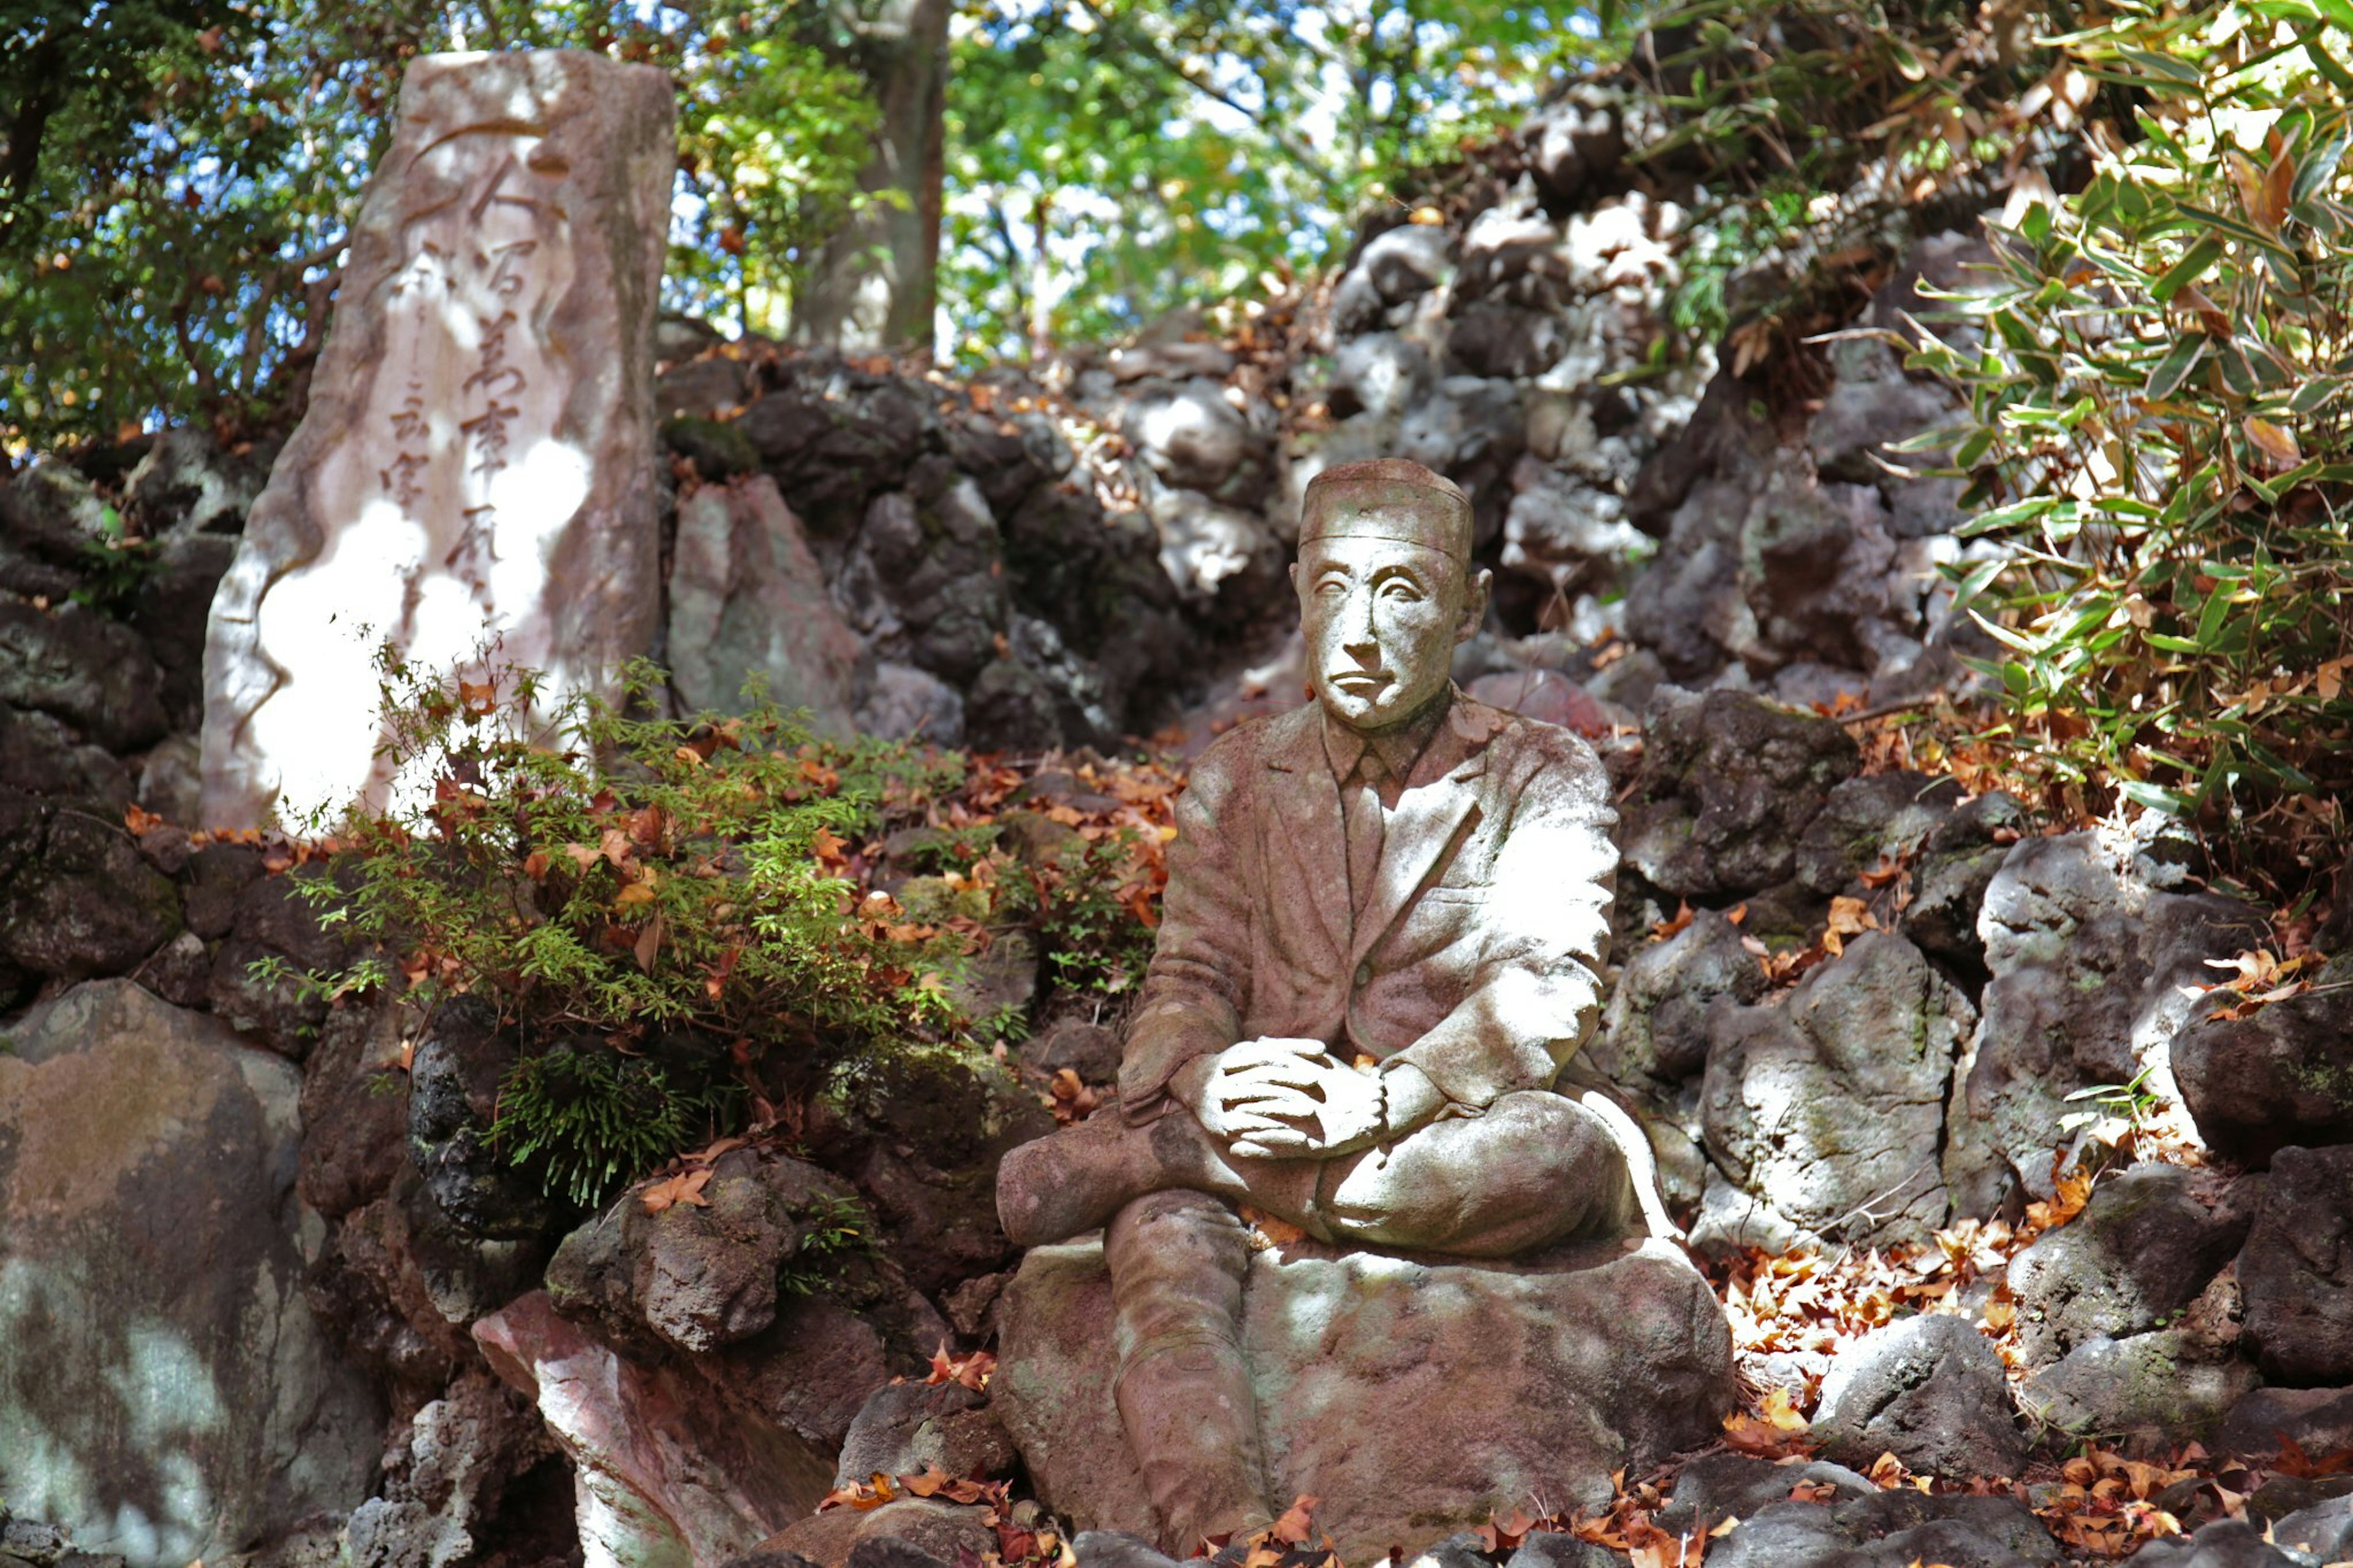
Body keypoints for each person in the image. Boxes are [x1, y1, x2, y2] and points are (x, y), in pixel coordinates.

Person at [995, 458, 1653, 1553]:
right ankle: (1229, 1541)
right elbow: (1187, 982)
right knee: (1162, 1272)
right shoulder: (1241, 776)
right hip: (1257, 1105)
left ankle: (1180, 1160)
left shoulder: (1541, 772)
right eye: (1335, 589)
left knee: (1560, 1162)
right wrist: (1206, 1077)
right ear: (1299, 591)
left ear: (1471, 606)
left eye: (1401, 592)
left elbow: (1549, 987)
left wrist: (1381, 1100)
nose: (1359, 630)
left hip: (1445, 1126)